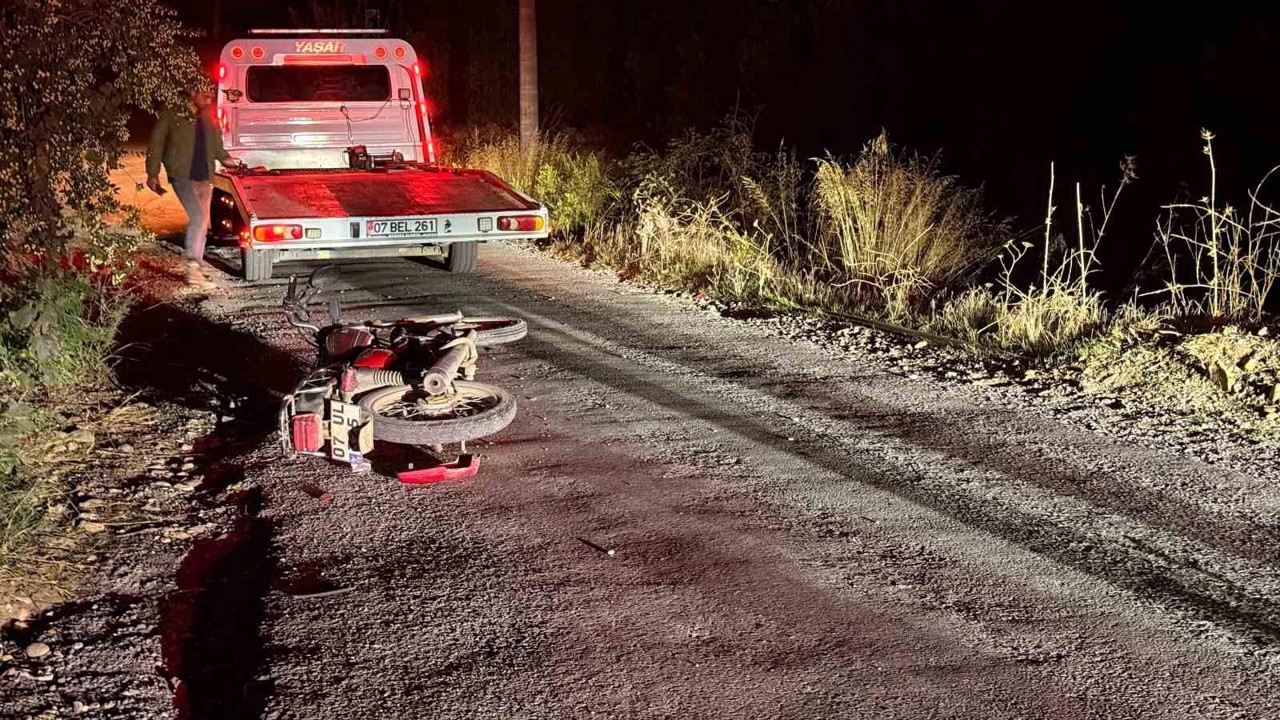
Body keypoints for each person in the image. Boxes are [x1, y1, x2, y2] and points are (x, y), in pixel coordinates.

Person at [146, 81, 242, 288]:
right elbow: (156, 143)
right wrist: (152, 174)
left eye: (211, 96)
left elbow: (218, 150)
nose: (209, 100)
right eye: (205, 96)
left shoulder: (209, 118)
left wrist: (235, 163)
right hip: (182, 176)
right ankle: (192, 268)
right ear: (192, 92)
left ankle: (196, 267)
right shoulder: (172, 113)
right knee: (198, 218)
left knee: (203, 222)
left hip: (204, 177)